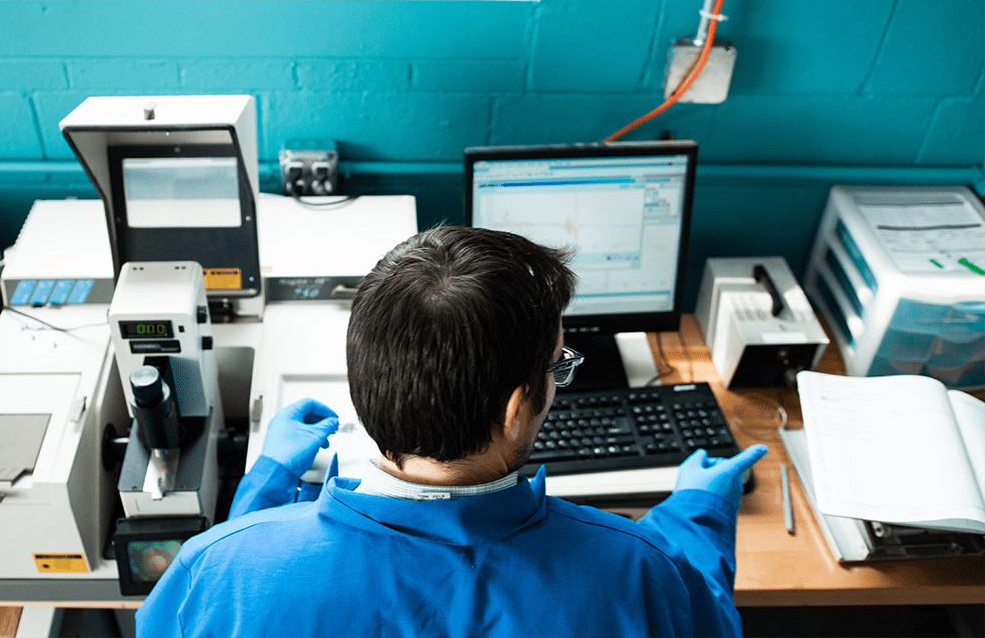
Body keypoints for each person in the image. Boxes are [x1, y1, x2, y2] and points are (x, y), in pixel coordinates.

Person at [137, 226, 768, 637]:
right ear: (519, 406)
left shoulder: (217, 569)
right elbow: (704, 621)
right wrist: (696, 515)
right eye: (559, 365)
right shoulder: (640, 568)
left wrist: (264, 488)